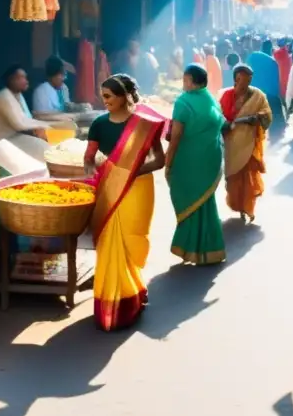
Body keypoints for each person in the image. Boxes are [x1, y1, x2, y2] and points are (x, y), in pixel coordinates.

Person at [84, 74, 166, 331]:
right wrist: (93, 172)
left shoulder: (144, 125)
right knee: (109, 243)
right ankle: (114, 301)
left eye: (109, 96)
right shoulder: (98, 124)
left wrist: (131, 172)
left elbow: (159, 160)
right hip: (110, 187)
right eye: (103, 95)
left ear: (124, 97)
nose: (104, 100)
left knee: (132, 239)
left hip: (138, 188)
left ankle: (134, 289)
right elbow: (88, 159)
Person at [168, 65, 226, 265]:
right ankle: (210, 249)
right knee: (205, 202)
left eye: (185, 80)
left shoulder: (183, 102)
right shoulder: (211, 99)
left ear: (191, 81)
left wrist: (168, 162)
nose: (183, 84)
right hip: (210, 159)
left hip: (190, 161)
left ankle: (192, 248)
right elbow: (223, 125)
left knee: (190, 200)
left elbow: (175, 136)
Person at [220, 65, 272, 223]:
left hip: (248, 143)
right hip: (230, 143)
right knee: (233, 178)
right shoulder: (226, 95)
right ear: (236, 78)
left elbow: (267, 114)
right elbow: (218, 115)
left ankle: (248, 208)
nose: (248, 82)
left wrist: (257, 117)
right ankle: (238, 205)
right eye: (244, 79)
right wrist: (225, 124)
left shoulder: (257, 95)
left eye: (250, 79)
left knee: (248, 176)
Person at [0, 65, 54, 157]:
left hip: (8, 140)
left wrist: (46, 126)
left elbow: (27, 119)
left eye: (25, 77)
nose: (26, 80)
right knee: (41, 148)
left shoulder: (18, 96)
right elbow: (19, 124)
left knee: (43, 147)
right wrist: (45, 126)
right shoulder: (3, 97)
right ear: (11, 80)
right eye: (20, 78)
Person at [248, 40, 284, 128]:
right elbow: (276, 79)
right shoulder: (272, 61)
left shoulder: (252, 57)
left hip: (256, 92)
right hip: (271, 94)